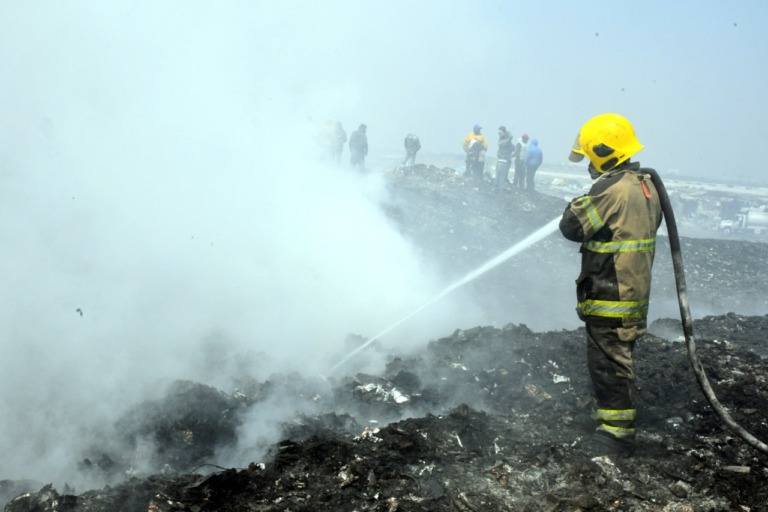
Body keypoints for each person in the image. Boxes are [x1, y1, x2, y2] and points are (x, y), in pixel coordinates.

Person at [559, 113, 663, 457]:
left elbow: (573, 226)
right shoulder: (644, 185)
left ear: (604, 152)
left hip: (611, 292)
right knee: (614, 360)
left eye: (590, 156)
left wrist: (579, 202)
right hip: (631, 291)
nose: (589, 163)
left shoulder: (611, 187)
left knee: (610, 364)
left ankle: (616, 436)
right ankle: (606, 418)